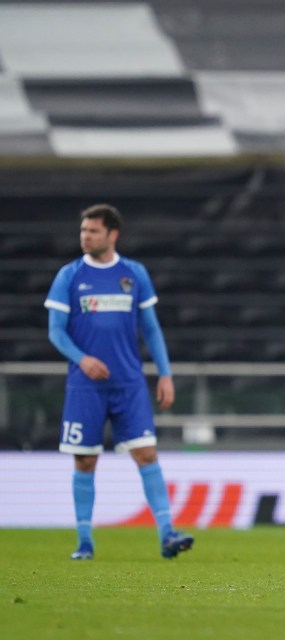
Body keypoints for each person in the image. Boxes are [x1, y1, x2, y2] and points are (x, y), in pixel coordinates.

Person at [44, 204, 193, 560]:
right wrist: (83, 359)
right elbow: (55, 331)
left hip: (129, 384)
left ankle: (168, 534)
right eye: (83, 231)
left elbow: (152, 330)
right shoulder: (69, 275)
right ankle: (84, 541)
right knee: (84, 461)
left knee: (147, 454)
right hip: (85, 386)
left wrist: (166, 374)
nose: (85, 237)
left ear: (112, 234)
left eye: (92, 231)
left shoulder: (133, 273)